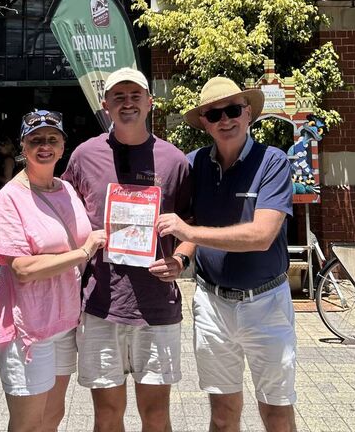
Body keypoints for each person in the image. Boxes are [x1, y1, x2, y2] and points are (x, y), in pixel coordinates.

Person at [156, 77, 297, 432]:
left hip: (266, 303)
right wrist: (182, 259)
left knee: (277, 414)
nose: (225, 119)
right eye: (214, 113)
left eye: (233, 110)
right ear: (204, 122)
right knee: (222, 416)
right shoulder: (194, 165)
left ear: (248, 113)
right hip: (212, 304)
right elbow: (191, 222)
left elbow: (262, 235)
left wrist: (187, 233)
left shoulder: (273, 161)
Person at [62, 67, 193, 432]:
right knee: (106, 417)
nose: (127, 104)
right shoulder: (84, 155)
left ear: (150, 103)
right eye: (118, 97)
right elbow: (62, 211)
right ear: (105, 105)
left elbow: (192, 223)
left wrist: (181, 258)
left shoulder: (174, 161)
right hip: (101, 304)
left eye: (135, 96)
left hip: (156, 305)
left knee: (155, 417)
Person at [0, 110, 107, 432]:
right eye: (35, 139)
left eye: (52, 139)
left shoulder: (68, 191)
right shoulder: (9, 198)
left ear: (63, 145)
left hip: (65, 322)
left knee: (53, 417)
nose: (44, 146)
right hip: (28, 328)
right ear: (22, 147)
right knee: (28, 424)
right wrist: (82, 252)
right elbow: (23, 269)